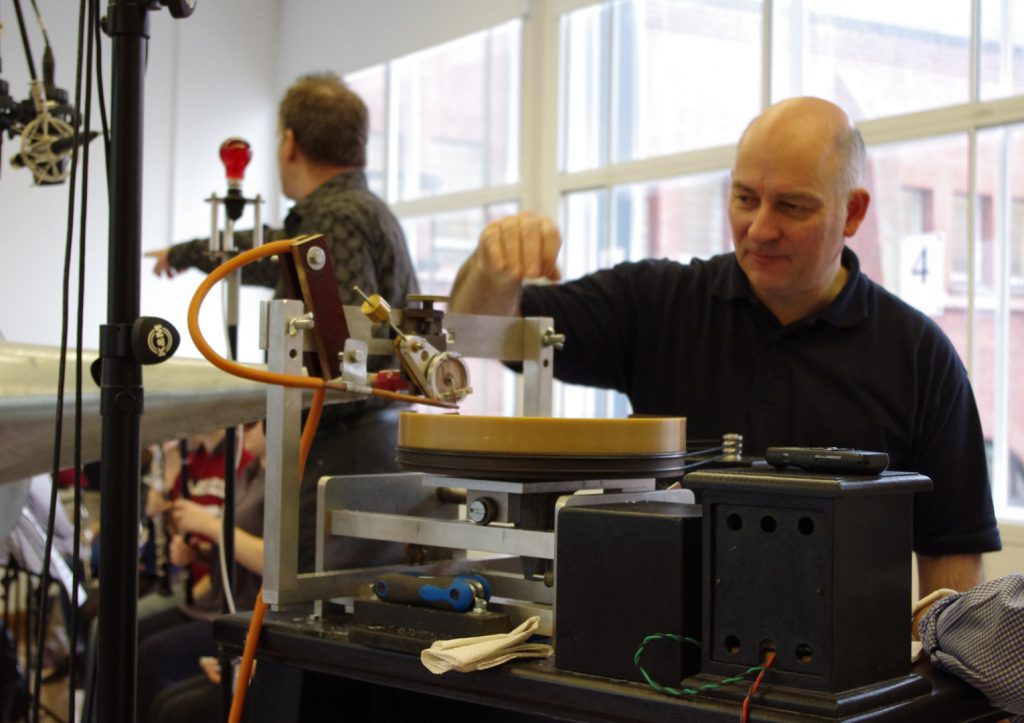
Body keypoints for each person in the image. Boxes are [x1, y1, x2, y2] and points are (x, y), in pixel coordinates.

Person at [448, 96, 1001, 596]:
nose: (759, 228)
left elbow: (951, 560)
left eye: (792, 206)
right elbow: (484, 332)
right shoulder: (657, 303)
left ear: (852, 212)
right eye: (745, 198)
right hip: (656, 648)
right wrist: (492, 264)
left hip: (840, 667)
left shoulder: (919, 355)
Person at [145, 71, 420, 572]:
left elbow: (338, 349)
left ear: (289, 143)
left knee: (309, 602)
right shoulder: (363, 212)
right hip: (370, 447)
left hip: (342, 452)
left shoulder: (335, 217)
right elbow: (274, 256)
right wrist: (186, 253)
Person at [136, 420, 266, 723]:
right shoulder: (249, 472)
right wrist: (198, 553)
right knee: (125, 632)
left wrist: (208, 526)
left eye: (251, 424)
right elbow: (230, 553)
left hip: (238, 609)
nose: (243, 429)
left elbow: (268, 559)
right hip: (210, 600)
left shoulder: (259, 472)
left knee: (152, 658)